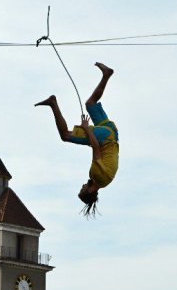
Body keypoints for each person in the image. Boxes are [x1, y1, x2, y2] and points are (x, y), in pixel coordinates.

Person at [35, 62, 118, 217]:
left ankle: (106, 75)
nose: (82, 186)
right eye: (83, 189)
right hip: (105, 138)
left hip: (112, 133)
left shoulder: (105, 182)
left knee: (90, 104)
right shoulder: (97, 176)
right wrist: (86, 128)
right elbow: (95, 147)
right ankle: (53, 104)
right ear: (91, 191)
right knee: (65, 136)